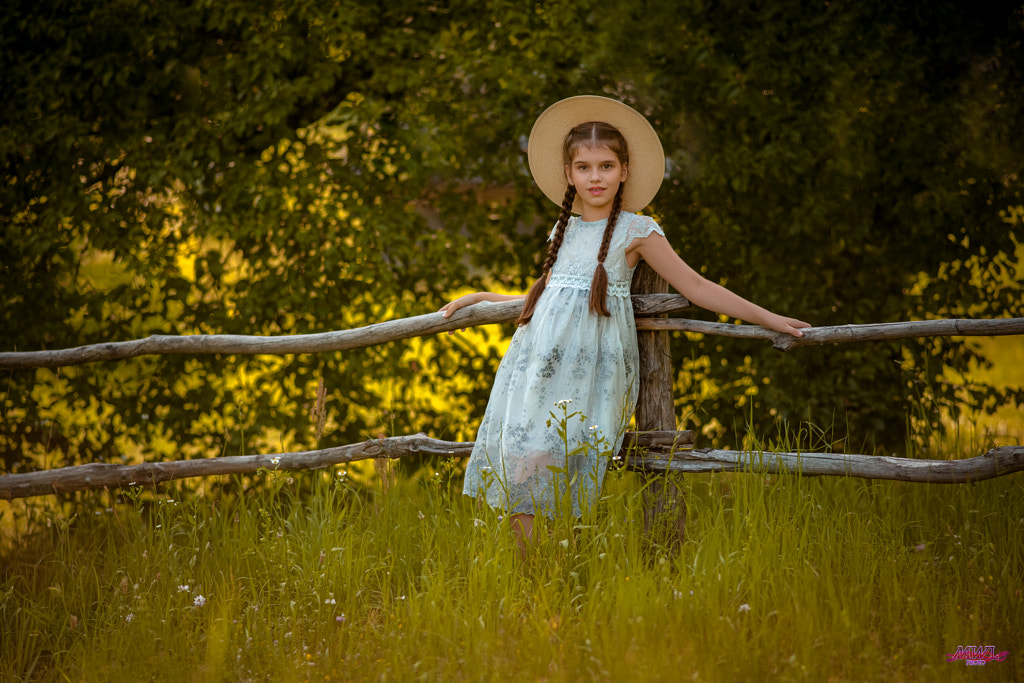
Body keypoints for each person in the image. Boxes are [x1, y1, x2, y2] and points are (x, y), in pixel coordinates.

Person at [440, 96, 809, 556]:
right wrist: (482, 300)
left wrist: (771, 318)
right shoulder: (564, 231)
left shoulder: (639, 231)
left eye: (607, 166)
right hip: (537, 369)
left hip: (590, 375)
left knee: (559, 467)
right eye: (585, 167)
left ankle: (559, 577)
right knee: (524, 466)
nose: (596, 177)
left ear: (625, 170)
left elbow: (697, 286)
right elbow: (550, 298)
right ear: (569, 174)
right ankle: (536, 584)